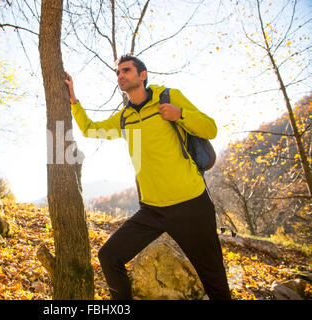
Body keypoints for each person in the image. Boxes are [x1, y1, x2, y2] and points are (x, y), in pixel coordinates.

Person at [64, 54, 231, 300]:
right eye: (118, 72)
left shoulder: (168, 97)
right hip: (152, 210)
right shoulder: (125, 117)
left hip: (191, 204)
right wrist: (74, 101)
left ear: (142, 75)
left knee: (215, 283)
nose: (120, 75)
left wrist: (180, 114)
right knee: (109, 257)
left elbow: (210, 128)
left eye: (126, 70)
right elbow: (91, 129)